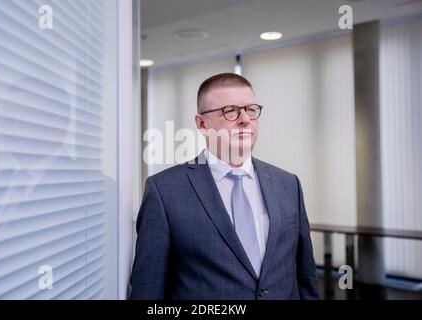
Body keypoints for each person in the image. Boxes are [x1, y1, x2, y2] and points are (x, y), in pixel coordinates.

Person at [129, 73, 319, 300]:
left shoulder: (288, 184)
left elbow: (306, 277)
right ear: (202, 123)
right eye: (231, 111)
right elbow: (148, 289)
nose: (245, 119)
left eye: (251, 109)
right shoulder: (164, 191)